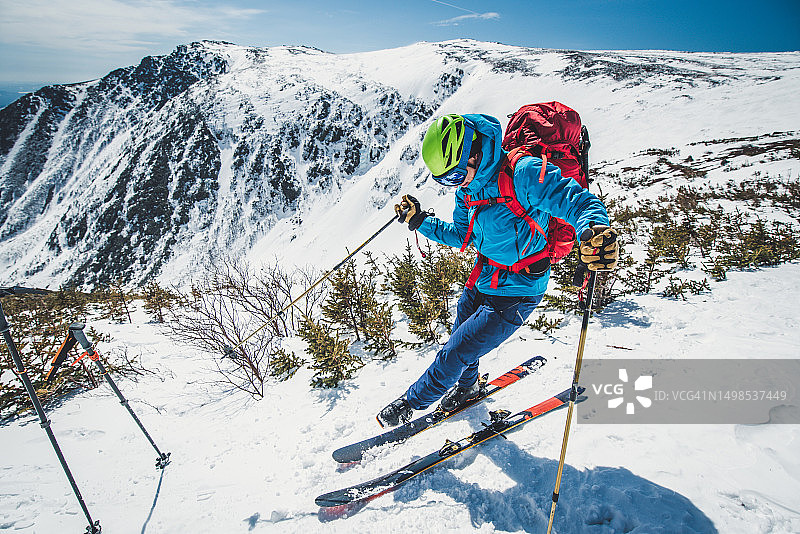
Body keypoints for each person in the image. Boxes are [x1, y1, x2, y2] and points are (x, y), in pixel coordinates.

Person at [376, 113, 618, 428]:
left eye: (455, 175)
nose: (454, 184)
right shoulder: (467, 191)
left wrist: (595, 230)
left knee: (456, 351)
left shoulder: (524, 175)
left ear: (475, 153)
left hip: (517, 292)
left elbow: (580, 203)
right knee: (463, 344)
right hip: (483, 279)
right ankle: (467, 389)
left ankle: (411, 402)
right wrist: (419, 220)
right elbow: (461, 235)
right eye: (444, 180)